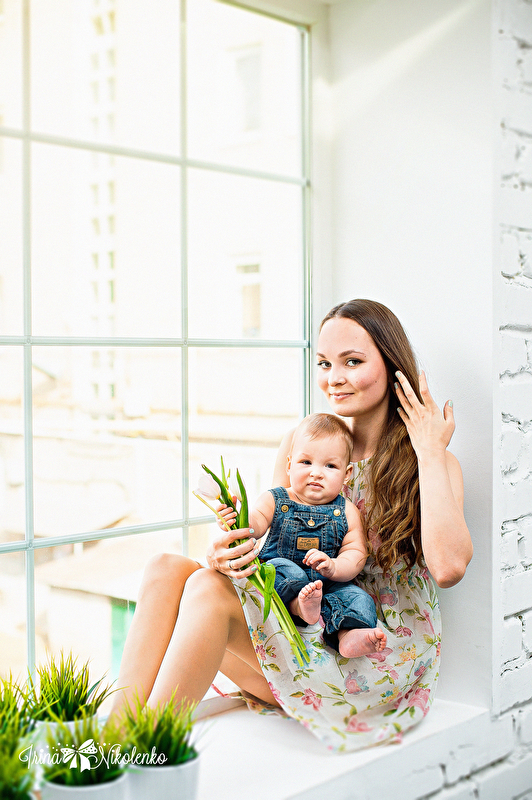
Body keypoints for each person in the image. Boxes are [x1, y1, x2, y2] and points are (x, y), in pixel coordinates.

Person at [108, 298, 473, 752]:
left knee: (206, 592)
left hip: (368, 653)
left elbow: (449, 567)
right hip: (302, 624)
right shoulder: (305, 446)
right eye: (324, 363)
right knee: (167, 567)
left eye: (352, 361)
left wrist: (430, 449)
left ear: (391, 364)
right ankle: (114, 739)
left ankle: (143, 748)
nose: (333, 378)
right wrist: (227, 554)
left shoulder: (430, 461)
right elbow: (275, 547)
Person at [218, 412, 387, 658]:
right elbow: (255, 526)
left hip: (327, 586)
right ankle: (298, 606)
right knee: (285, 571)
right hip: (283, 579)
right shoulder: (275, 499)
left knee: (358, 598)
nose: (316, 473)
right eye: (306, 462)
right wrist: (237, 517)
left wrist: (334, 567)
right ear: (289, 465)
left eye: (330, 466)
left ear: (347, 473)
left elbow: (355, 553)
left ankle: (347, 636)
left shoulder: (347, 511)